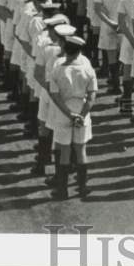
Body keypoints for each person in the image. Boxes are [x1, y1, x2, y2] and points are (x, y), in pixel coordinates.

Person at [47, 31, 98, 199]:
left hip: (63, 112)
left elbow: (54, 95)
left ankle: (63, 190)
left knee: (65, 152)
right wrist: (81, 115)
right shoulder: (88, 69)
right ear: (78, 51)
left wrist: (69, 114)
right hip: (82, 109)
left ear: (65, 50)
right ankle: (82, 187)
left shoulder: (57, 68)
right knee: (81, 150)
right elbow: (91, 97)